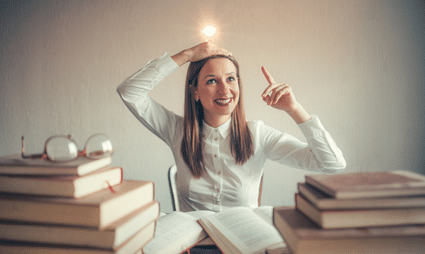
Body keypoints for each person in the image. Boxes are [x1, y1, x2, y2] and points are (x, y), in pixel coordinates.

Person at [117, 42, 346, 212]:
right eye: (211, 80)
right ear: (195, 91)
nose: (225, 91)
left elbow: (332, 164)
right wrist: (186, 55)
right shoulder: (176, 130)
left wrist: (294, 109)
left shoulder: (258, 135)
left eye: (231, 79)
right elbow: (129, 92)